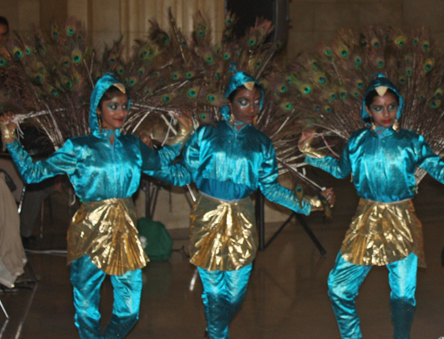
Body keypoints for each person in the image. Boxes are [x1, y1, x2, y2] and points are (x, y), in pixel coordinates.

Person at [0, 72, 191, 338]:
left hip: (124, 234)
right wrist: (10, 141)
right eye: (113, 106)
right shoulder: (79, 148)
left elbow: (160, 162)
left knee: (129, 311)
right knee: (86, 309)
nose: (121, 112)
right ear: (98, 109)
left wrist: (183, 134)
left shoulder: (133, 145)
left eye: (124, 106)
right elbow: (34, 174)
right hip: (89, 234)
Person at [156, 70, 334, 339]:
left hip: (243, 219)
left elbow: (271, 189)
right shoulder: (206, 134)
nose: (252, 108)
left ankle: (214, 330)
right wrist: (150, 161)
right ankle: (217, 334)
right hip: (208, 218)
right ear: (229, 103)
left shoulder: (262, 144)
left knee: (236, 294)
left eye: (256, 102)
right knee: (214, 292)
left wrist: (311, 202)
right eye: (244, 101)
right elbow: (181, 174)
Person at [299, 74, 444, 339]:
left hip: (402, 221)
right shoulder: (357, 142)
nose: (386, 113)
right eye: (379, 108)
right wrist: (310, 153)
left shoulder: (412, 141)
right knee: (338, 287)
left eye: (391, 106)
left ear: (399, 106)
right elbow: (339, 169)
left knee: (403, 295)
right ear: (367, 110)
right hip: (365, 221)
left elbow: (439, 169)